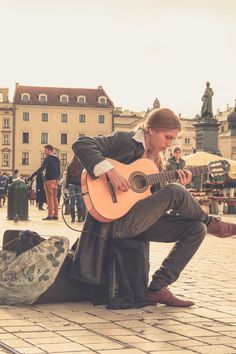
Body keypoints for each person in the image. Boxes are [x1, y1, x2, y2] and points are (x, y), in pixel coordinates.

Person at [72, 107, 236, 308]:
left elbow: (151, 198)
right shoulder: (125, 140)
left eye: (173, 140)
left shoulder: (155, 161)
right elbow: (81, 144)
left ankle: (157, 287)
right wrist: (111, 172)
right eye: (167, 138)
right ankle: (213, 224)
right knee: (175, 192)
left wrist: (177, 187)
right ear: (151, 130)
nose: (170, 144)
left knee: (196, 228)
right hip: (116, 223)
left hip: (139, 221)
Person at [29, 144, 60, 220]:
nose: (44, 152)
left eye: (45, 150)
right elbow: (59, 171)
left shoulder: (48, 158)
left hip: (49, 180)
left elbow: (42, 168)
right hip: (55, 180)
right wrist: (57, 178)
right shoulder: (57, 159)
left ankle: (50, 215)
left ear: (49, 150)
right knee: (55, 198)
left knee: (49, 198)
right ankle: (55, 215)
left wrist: (32, 175)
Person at [66, 155, 85, 223]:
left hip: (71, 185)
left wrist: (66, 186)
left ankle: (73, 218)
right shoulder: (83, 166)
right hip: (80, 186)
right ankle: (79, 218)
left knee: (72, 202)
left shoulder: (70, 166)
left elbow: (67, 177)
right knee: (80, 202)